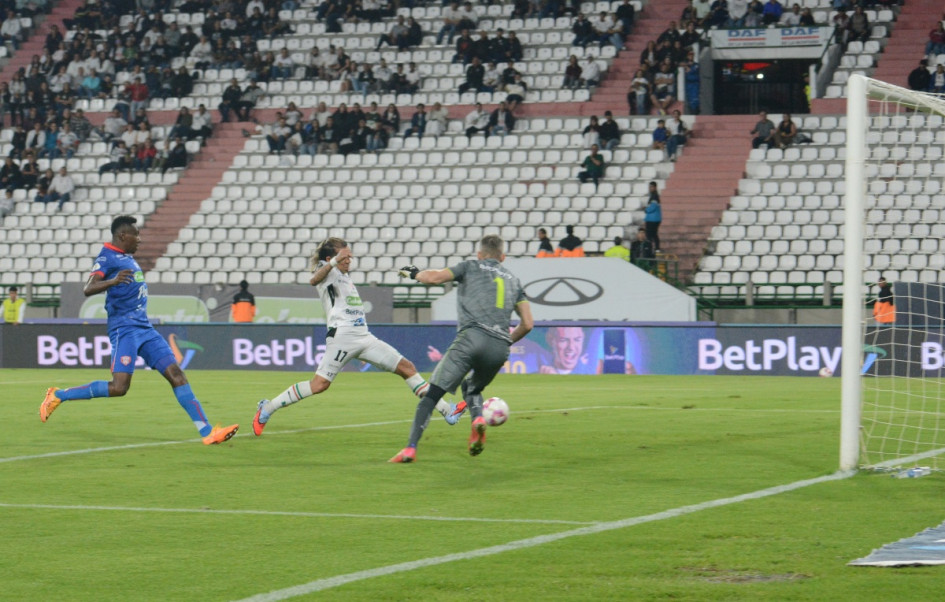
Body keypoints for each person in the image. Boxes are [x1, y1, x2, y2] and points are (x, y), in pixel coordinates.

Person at [39, 216, 239, 445]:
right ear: (123, 236)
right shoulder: (107, 257)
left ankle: (207, 432)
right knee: (119, 387)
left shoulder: (127, 258)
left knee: (176, 374)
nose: (140, 240)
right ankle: (58, 395)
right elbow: (88, 288)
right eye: (136, 234)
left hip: (144, 327)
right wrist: (113, 282)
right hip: (123, 329)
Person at [252, 238, 465, 436]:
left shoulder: (344, 277)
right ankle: (268, 408)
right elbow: (312, 280)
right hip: (342, 337)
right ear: (331, 259)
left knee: (406, 367)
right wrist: (335, 261)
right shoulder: (326, 272)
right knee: (319, 385)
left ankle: (448, 411)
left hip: (363, 337)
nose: (349, 261)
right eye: (345, 257)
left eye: (349, 257)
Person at [389, 235, 534, 462]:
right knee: (472, 388)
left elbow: (436, 278)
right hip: (499, 347)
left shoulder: (470, 266)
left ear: (479, 254)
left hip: (471, 338)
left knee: (432, 394)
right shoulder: (515, 282)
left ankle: (410, 448)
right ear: (503, 257)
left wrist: (415, 273)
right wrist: (506, 341)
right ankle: (477, 418)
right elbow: (527, 324)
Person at [644, 181, 662, 251]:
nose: (650, 188)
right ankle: (655, 248)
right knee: (653, 234)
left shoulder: (654, 196)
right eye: (649, 187)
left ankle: (652, 248)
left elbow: (653, 206)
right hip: (654, 218)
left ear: (655, 187)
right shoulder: (654, 195)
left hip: (653, 219)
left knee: (650, 234)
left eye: (651, 187)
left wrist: (646, 210)